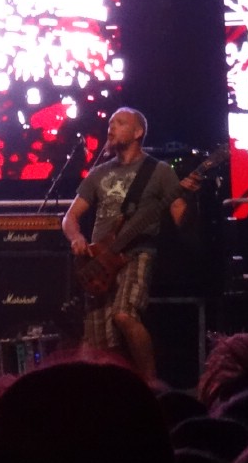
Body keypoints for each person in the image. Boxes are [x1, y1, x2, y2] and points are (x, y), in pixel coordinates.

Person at [61, 107, 198, 382]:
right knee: (97, 340)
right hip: (99, 260)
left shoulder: (159, 171)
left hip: (137, 253)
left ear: (138, 132)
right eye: (110, 123)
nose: (111, 127)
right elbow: (70, 217)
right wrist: (77, 238)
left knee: (124, 315)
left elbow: (181, 218)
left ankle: (150, 382)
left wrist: (191, 199)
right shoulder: (98, 173)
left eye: (120, 123)